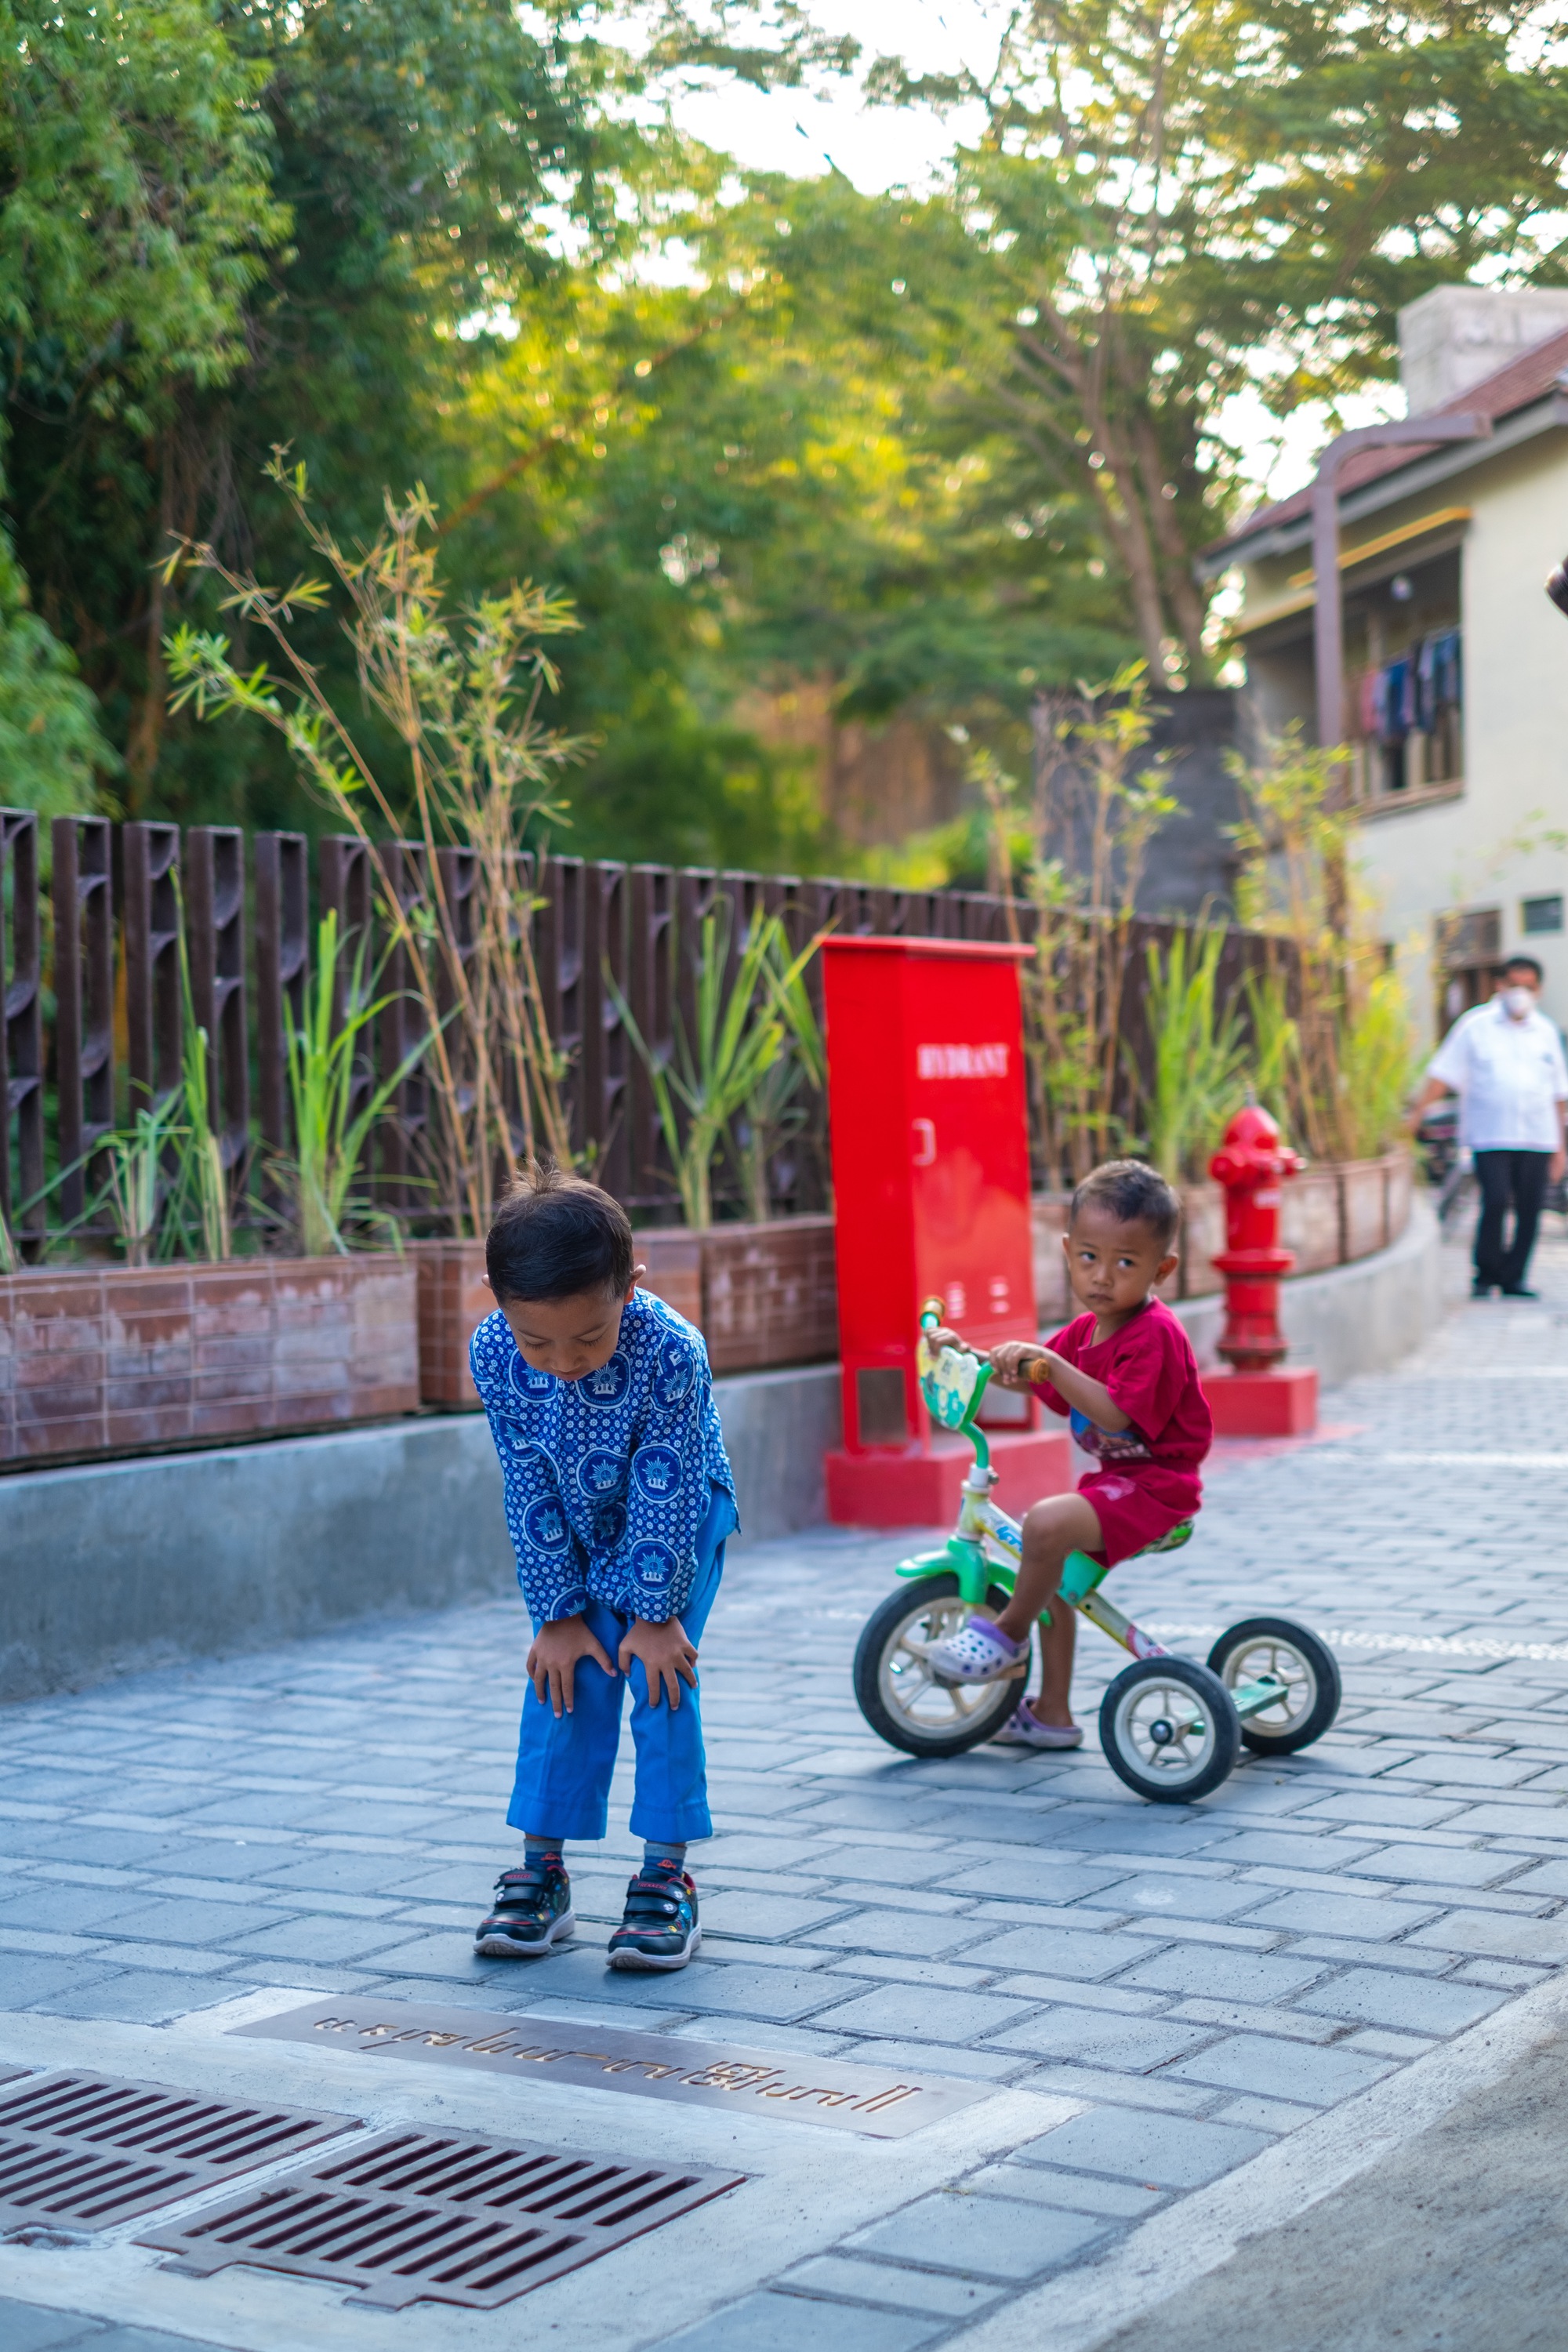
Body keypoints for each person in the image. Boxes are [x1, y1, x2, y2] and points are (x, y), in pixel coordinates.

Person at [468, 1166, 736, 1971]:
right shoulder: (492, 1351)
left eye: (587, 1338)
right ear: (495, 1297)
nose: (560, 1361)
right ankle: (540, 1874)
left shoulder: (670, 1352)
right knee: (565, 1676)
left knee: (656, 1680)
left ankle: (665, 1879)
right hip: (573, 1526)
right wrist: (556, 1612)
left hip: (677, 1519)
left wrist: (654, 1620)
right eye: (535, 1340)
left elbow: (665, 1482)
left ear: (629, 1287)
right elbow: (526, 1482)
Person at [924, 1160, 1213, 1749]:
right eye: (1088, 1257)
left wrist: (1053, 1364)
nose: (1102, 1276)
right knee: (1052, 1578)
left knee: (1046, 1525)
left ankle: (1005, 1636)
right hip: (1119, 1486)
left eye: (1125, 1263)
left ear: (1164, 1270)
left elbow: (1116, 1414)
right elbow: (1034, 1377)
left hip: (1159, 1491)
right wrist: (973, 1357)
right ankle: (1052, 1713)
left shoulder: (1154, 1335)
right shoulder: (1086, 1332)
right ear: (1066, 1250)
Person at [1413, 955, 1568, 1300]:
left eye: (1528, 987)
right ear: (1500, 985)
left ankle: (1514, 1278)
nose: (1521, 993)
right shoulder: (1475, 1026)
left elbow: (1559, 1093)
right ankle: (1486, 1274)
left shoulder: (1546, 1032)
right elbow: (1443, 1074)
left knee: (1530, 1209)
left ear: (1539, 990)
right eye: (1514, 985)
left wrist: (1561, 1148)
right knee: (1495, 1200)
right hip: (1490, 1135)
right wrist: (1417, 1114)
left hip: (1537, 1136)